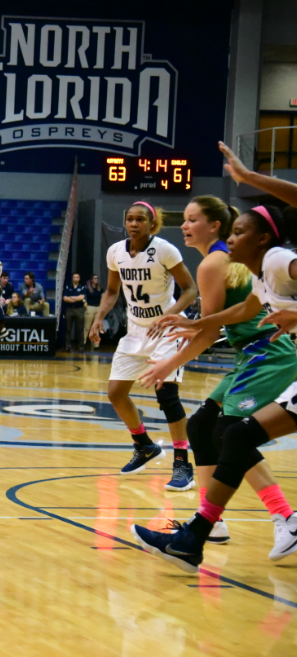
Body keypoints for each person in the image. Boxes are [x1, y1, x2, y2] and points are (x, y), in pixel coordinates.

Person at [129, 143, 297, 570]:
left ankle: (282, 518)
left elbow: (223, 325)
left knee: (231, 433)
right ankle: (210, 523)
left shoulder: (261, 260)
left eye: (191, 220)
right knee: (211, 427)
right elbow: (241, 313)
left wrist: (173, 357)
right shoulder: (256, 270)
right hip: (254, 354)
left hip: (267, 355)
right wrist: (193, 325)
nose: (183, 227)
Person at [88, 201, 198, 484]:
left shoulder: (164, 249)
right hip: (136, 331)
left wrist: (169, 316)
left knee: (167, 395)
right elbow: (112, 291)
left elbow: (190, 290)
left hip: (167, 330)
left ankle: (182, 464)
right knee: (115, 393)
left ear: (152, 224)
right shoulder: (115, 252)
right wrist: (99, 317)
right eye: (129, 219)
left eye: (140, 219)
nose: (134, 224)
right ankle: (145, 446)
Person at [63, 273, 87, 351]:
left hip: (79, 309)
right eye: (74, 277)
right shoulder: (67, 287)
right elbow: (65, 299)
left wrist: (71, 297)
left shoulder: (83, 287)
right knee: (68, 329)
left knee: (80, 329)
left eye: (77, 277)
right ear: (72, 278)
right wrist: (76, 298)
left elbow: (82, 297)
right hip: (69, 309)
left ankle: (81, 346)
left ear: (79, 278)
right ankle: (68, 346)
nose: (76, 278)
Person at [84, 274, 103, 349]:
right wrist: (85, 304)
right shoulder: (87, 288)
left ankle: (96, 344)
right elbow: (84, 297)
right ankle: (84, 343)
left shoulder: (99, 288)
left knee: (97, 327)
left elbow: (102, 297)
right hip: (90, 307)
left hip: (98, 307)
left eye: (97, 278)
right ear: (91, 279)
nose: (96, 280)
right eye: (95, 278)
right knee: (87, 327)